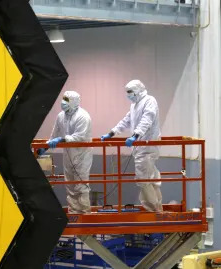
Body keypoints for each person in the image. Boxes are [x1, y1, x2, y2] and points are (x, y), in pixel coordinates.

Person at [101, 80, 162, 212]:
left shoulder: (149, 101)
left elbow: (147, 120)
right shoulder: (135, 104)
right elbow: (126, 120)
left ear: (138, 90)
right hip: (140, 146)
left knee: (143, 179)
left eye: (130, 92)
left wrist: (135, 136)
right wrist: (112, 133)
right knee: (150, 178)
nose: (128, 95)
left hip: (147, 146)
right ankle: (157, 208)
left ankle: (153, 210)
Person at [39, 91, 93, 214]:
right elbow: (54, 134)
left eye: (67, 100)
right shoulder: (61, 116)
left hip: (81, 155)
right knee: (70, 184)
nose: (63, 103)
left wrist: (62, 139)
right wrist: (45, 147)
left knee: (81, 185)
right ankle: (74, 212)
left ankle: (85, 213)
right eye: (63, 100)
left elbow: (80, 136)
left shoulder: (83, 116)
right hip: (68, 154)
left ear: (74, 102)